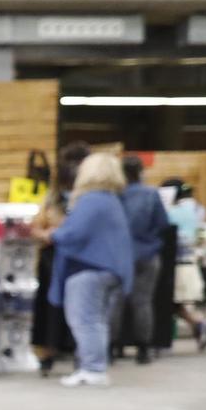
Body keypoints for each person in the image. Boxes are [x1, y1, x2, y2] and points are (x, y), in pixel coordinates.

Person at [48, 152, 135, 389]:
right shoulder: (111, 200)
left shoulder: (91, 200)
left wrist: (51, 234)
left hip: (90, 268)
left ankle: (93, 369)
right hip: (110, 269)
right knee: (96, 320)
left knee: (84, 320)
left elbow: (74, 233)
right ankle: (94, 366)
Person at [32, 143, 87, 374]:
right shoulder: (52, 197)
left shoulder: (88, 197)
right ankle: (47, 354)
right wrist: (47, 235)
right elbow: (37, 226)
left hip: (79, 257)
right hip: (51, 258)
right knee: (49, 306)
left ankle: (79, 352)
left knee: (79, 305)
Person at [118, 154, 168, 365]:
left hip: (120, 255)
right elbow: (163, 223)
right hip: (148, 254)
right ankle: (143, 349)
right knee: (143, 302)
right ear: (141, 172)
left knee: (115, 302)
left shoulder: (117, 195)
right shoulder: (151, 194)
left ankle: (113, 347)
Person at [164, 178, 206, 348]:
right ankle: (197, 325)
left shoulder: (172, 212)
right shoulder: (197, 209)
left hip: (174, 263)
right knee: (175, 303)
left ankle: (197, 324)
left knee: (170, 302)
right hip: (190, 262)